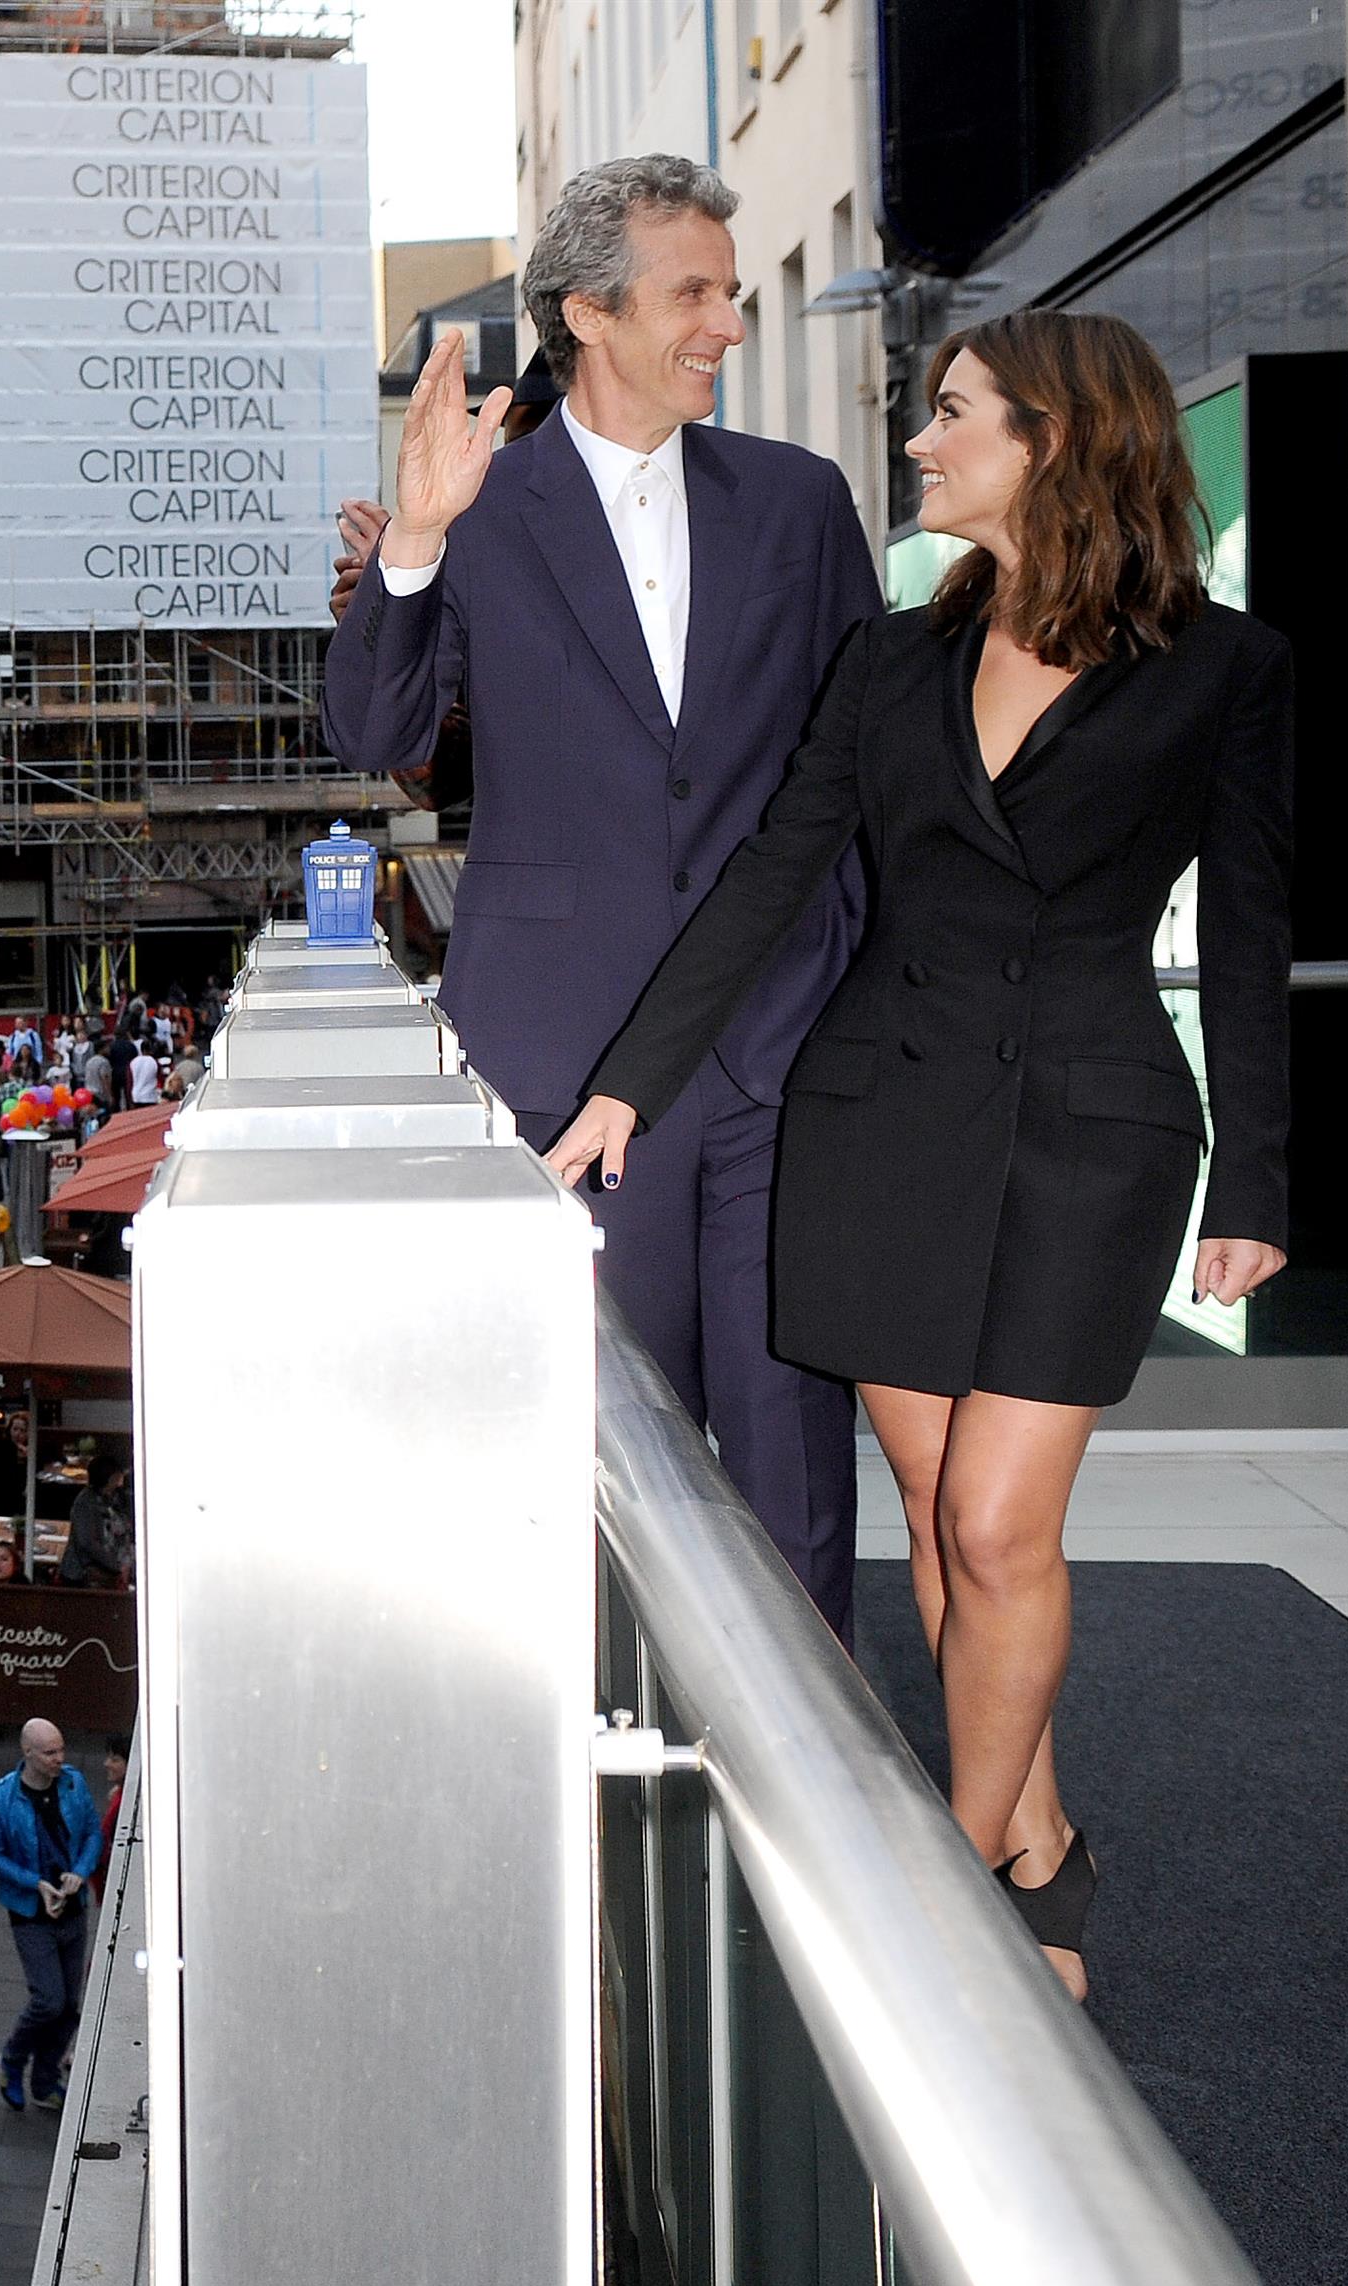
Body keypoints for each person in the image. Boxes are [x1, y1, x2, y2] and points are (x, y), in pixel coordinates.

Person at [546, 309, 1293, 1997]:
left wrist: (1259, 1177)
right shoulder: (890, 661)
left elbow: (1251, 928)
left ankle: (948, 1900)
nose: (920, 443)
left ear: (1056, 438)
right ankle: (1039, 1841)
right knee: (937, 1516)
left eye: (951, 413)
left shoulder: (1228, 668)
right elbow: (772, 873)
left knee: (1001, 1523)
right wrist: (629, 1087)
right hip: (883, 1119)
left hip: (1095, 1131)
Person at [323, 153, 878, 1637]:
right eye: (696, 292)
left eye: (733, 290)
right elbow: (375, 741)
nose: (730, 324)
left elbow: (858, 779)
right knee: (571, 1471)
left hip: (777, 1055)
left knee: (792, 1484)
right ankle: (583, 1813)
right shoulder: (478, 511)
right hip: (559, 1067)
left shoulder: (802, 503)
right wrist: (421, 540)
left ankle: (797, 1846)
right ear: (591, 310)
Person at [0, 1720, 101, 2113]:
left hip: (71, 1908)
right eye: (50, 1752)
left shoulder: (73, 1784)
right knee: (48, 1999)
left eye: (61, 1749)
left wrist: (79, 1872)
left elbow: (93, 1834)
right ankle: (12, 2059)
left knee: (68, 2006)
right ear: (27, 1752)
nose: (59, 1759)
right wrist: (37, 1884)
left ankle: (45, 2080)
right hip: (31, 1913)